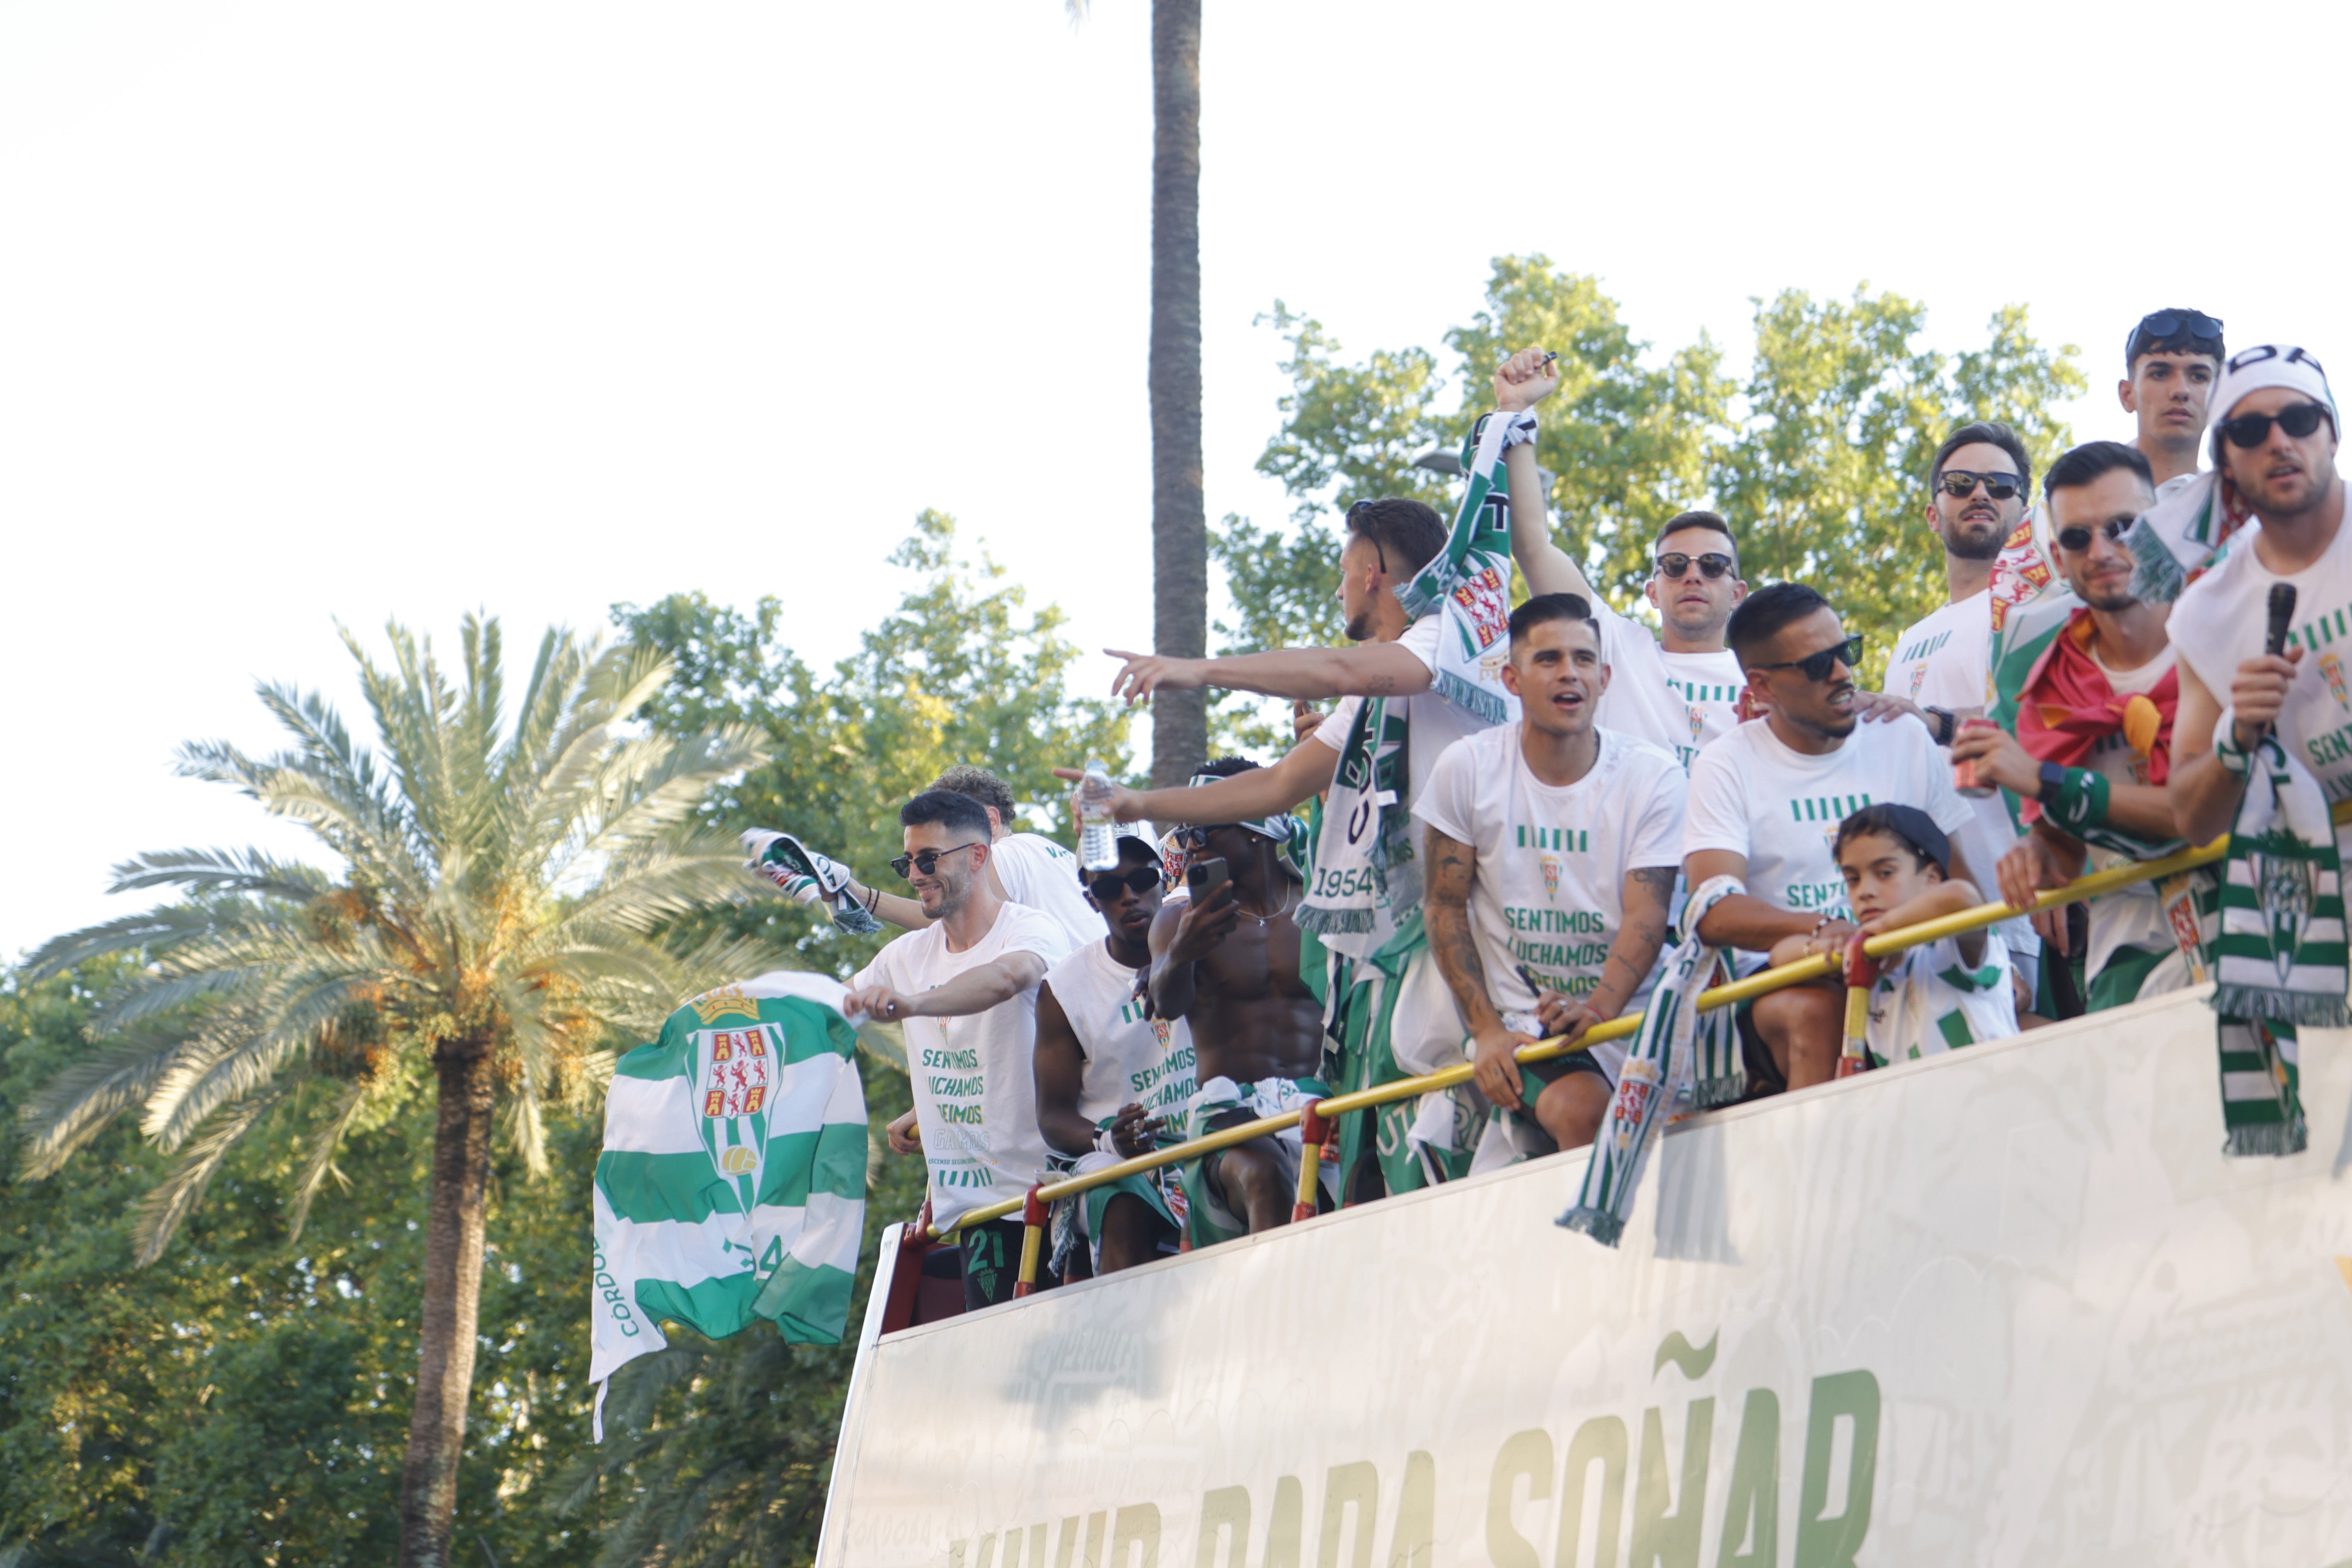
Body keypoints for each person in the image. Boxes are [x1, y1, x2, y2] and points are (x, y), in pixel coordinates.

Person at [1069, 497, 1504, 1200]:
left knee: (1473, 1142)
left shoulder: (1446, 637)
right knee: (1391, 1159)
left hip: (1482, 925)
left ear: (1374, 572)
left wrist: (1190, 670)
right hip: (1414, 942)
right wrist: (1136, 805)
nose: (1337, 590)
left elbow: (1337, 671)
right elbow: (1277, 786)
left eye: (1342, 570)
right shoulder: (1372, 686)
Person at [1415, 593, 1683, 1164]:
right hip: (1528, 1024)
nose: (1570, 673)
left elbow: (1648, 913)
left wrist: (1602, 1009)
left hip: (1640, 1011)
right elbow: (1443, 907)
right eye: (1549, 659)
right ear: (1511, 678)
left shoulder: (1653, 775)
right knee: (1582, 1109)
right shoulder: (1468, 767)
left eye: (1585, 660)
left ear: (1606, 677)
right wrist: (1486, 1031)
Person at [1682, 583, 1979, 1092]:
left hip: (1911, 965)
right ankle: (1822, 1170)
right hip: (1791, 978)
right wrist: (1830, 931)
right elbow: (1713, 911)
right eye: (1819, 665)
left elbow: (1961, 883)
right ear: (1762, 687)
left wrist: (1994, 966)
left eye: (1846, 653)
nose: (1843, 675)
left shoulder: (1903, 735)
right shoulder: (1724, 762)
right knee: (1821, 1013)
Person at [1960, 442, 2194, 1010]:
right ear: (2058, 561)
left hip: (2265, 908)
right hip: (2135, 946)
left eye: (2123, 526)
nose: (2102, 549)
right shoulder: (2047, 685)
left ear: (2159, 529)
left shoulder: (2221, 626)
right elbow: (2063, 847)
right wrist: (2037, 857)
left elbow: (2201, 813)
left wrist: (2042, 779)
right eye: (2076, 537)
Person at [844, 790, 1077, 1309]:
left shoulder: (1029, 928)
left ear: (977, 854)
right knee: (1000, 1360)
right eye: (907, 862)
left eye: (928, 860)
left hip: (1059, 1191)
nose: (915, 875)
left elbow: (1004, 978)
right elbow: (834, 1011)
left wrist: (912, 1005)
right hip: (981, 1209)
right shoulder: (901, 957)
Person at [1490, 348, 1749, 768]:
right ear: (1652, 590)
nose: (1694, 576)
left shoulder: (1768, 685)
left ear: (1738, 592)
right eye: (1676, 565)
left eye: (1713, 566)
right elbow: (1533, 547)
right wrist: (1516, 410)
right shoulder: (1614, 646)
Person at [1881, 420, 2043, 1011]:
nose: (1981, 494)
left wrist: (1940, 723)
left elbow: (2049, 725)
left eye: (2000, 486)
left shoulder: (2036, 608)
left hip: (2027, 901)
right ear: (1933, 513)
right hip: (1930, 914)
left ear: (2025, 512)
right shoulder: (1908, 641)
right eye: (1961, 482)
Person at [1144, 760, 1332, 1246]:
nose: (1191, 847)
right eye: (1185, 834)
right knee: (1266, 1177)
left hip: (1323, 1106)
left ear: (1256, 827)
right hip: (1228, 1114)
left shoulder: (1321, 907)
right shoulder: (1177, 920)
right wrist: (1183, 950)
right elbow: (1166, 1003)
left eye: (1203, 830)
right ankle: (1270, 1315)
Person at [2171, 345, 2352, 848]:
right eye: (2249, 431)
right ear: (2225, 460)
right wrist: (2236, 737)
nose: (2279, 442)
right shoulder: (2204, 613)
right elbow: (2192, 820)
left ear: (2332, 434)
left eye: (2299, 419)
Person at [1033, 830, 1196, 1276]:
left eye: (1142, 878)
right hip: (1115, 1156)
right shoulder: (1064, 986)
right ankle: (1128, 1337)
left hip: (1202, 1142)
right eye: (1108, 887)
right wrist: (1109, 1139)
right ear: (1091, 899)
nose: (1129, 896)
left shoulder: (1205, 944)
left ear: (1165, 878)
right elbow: (1053, 1116)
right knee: (1117, 1193)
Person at [752, 766, 1105, 951]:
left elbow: (964, 920)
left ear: (991, 823)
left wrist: (860, 896)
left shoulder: (1007, 853)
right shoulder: (1054, 857)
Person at [1821, 805, 2017, 1065]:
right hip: (1916, 1102)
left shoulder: (1951, 937)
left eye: (1885, 873)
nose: (1865, 891)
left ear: (1933, 877)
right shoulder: (1866, 950)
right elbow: (1780, 955)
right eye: (1853, 879)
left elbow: (1962, 895)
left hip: (1993, 1093)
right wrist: (1822, 946)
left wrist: (1885, 927)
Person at [2120, 309, 2226, 496]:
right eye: (2160, 374)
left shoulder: (2240, 517)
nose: (2181, 391)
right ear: (2128, 395)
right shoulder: (2076, 497)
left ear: (2220, 396)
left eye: (2199, 377)